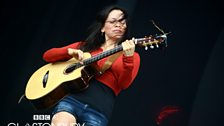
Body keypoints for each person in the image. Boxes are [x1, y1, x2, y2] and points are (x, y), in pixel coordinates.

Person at [42, 5, 140, 126]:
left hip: (99, 110)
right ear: (103, 27)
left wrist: (128, 58)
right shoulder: (84, 46)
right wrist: (69, 52)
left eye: (123, 23)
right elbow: (47, 55)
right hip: (72, 100)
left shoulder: (131, 55)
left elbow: (124, 84)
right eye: (113, 21)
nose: (118, 25)